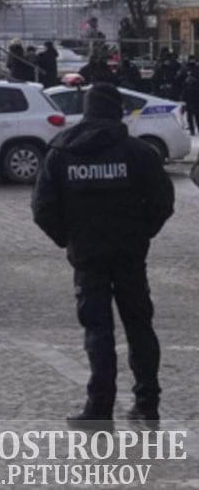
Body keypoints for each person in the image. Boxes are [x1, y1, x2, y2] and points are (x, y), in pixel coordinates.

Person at [32, 83, 174, 425]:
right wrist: (142, 234)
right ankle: (148, 403)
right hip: (129, 252)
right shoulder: (138, 153)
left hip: (87, 254)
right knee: (139, 326)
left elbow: (43, 208)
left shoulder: (62, 153)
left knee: (97, 331)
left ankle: (98, 408)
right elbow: (162, 202)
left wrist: (69, 239)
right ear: (117, 111)